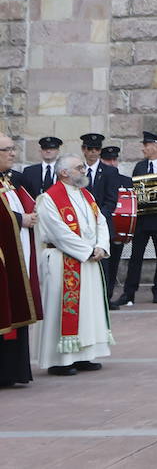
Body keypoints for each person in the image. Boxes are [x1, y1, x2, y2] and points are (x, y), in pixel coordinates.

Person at [33, 156, 114, 375]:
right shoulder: (49, 198)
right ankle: (60, 360)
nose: (84, 170)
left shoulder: (86, 194)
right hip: (63, 260)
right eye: (79, 168)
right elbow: (59, 233)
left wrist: (100, 246)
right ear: (64, 173)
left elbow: (101, 222)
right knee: (63, 309)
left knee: (88, 309)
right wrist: (87, 251)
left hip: (89, 260)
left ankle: (84, 356)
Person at [114, 132, 157, 307]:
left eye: (146, 145)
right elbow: (135, 192)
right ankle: (129, 293)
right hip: (142, 221)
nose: (143, 148)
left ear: (155, 147)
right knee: (136, 258)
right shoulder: (140, 167)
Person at [1, 132, 41, 388]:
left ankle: (15, 371)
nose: (13, 153)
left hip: (18, 256)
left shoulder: (11, 181)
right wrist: (20, 220)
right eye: (6, 150)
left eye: (13, 148)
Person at [92, 146, 126, 301]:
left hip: (112, 226)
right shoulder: (87, 173)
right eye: (108, 160)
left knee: (111, 264)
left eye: (115, 159)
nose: (112, 163)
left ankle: (108, 297)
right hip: (91, 227)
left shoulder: (124, 179)